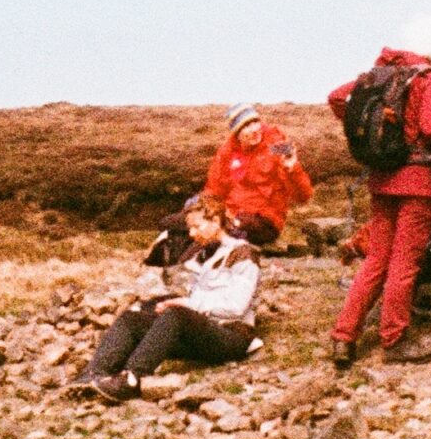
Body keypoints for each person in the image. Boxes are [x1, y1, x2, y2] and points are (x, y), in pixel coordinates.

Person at [327, 44, 431, 367]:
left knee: (376, 260)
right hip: (417, 181)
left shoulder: (378, 74)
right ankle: (394, 339)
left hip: (382, 178)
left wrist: (373, 129)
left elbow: (338, 98)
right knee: (404, 261)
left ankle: (344, 337)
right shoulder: (428, 76)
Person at [86, 199, 264, 400]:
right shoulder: (202, 255)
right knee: (131, 319)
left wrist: (186, 304)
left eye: (197, 226)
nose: (191, 234)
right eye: (190, 228)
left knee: (177, 315)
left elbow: (236, 307)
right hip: (203, 333)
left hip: (232, 335)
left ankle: (131, 379)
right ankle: (92, 375)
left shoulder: (244, 254)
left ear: (215, 221)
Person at [195, 103, 315, 248]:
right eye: (246, 126)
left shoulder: (277, 146)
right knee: (183, 222)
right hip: (230, 215)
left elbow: (303, 196)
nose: (254, 130)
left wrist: (292, 168)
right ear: (236, 132)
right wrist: (202, 211)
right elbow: (214, 189)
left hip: (264, 221)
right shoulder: (227, 151)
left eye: (255, 122)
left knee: (228, 229)